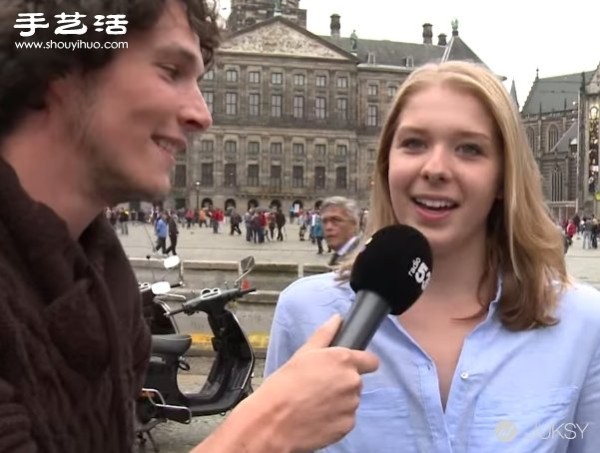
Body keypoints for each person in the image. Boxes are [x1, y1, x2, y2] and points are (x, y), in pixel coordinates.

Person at [0, 1, 378, 452]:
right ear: (58, 71)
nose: (203, 114)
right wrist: (264, 430)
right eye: (170, 70)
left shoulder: (109, 293)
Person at [265, 61, 600, 452]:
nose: (436, 168)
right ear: (386, 164)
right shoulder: (306, 312)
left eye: (469, 149)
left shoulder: (582, 323)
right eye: (414, 143)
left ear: (503, 178)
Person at [320, 196, 361, 266]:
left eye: (336, 220)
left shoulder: (360, 259)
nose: (328, 227)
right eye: (324, 221)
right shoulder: (340, 255)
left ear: (353, 223)